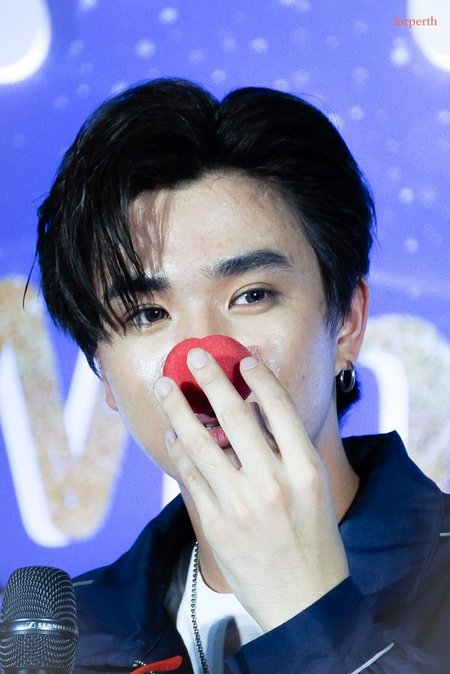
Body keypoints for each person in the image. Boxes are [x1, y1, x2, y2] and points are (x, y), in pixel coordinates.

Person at [35, 78, 450, 673]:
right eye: (148, 314)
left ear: (347, 322)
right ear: (101, 370)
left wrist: (306, 610)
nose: (201, 364)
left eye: (252, 295)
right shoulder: (62, 643)